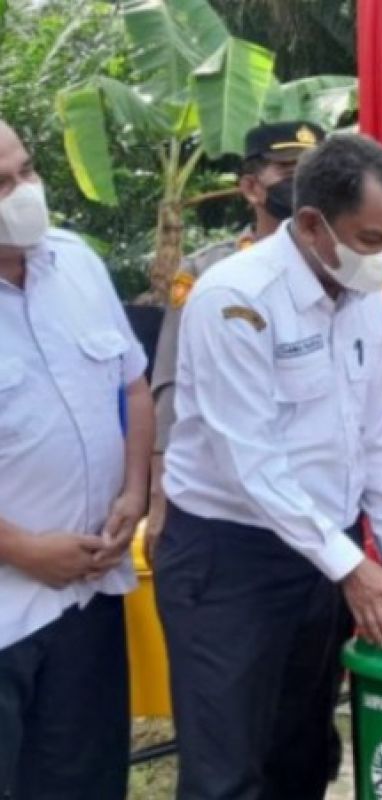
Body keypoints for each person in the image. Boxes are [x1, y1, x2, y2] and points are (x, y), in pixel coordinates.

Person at [155, 134, 382, 800]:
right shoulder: (233, 299)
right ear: (311, 225)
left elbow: (378, 425)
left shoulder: (360, 296)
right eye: (372, 239)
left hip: (324, 557)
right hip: (231, 561)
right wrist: (350, 563)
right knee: (227, 771)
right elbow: (251, 458)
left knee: (302, 754)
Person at [0, 120, 152, 799]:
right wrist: (23, 549)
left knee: (85, 782)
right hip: (8, 605)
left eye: (27, 171)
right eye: (2, 185)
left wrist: (134, 492)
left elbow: (133, 383)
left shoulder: (77, 263)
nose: (25, 192)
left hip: (89, 592)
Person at [147, 120, 326, 560]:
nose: (303, 185)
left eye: (313, 172)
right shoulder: (210, 274)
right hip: (230, 510)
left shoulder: (347, 267)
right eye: (288, 171)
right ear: (251, 187)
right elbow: (170, 386)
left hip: (323, 504)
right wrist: (158, 497)